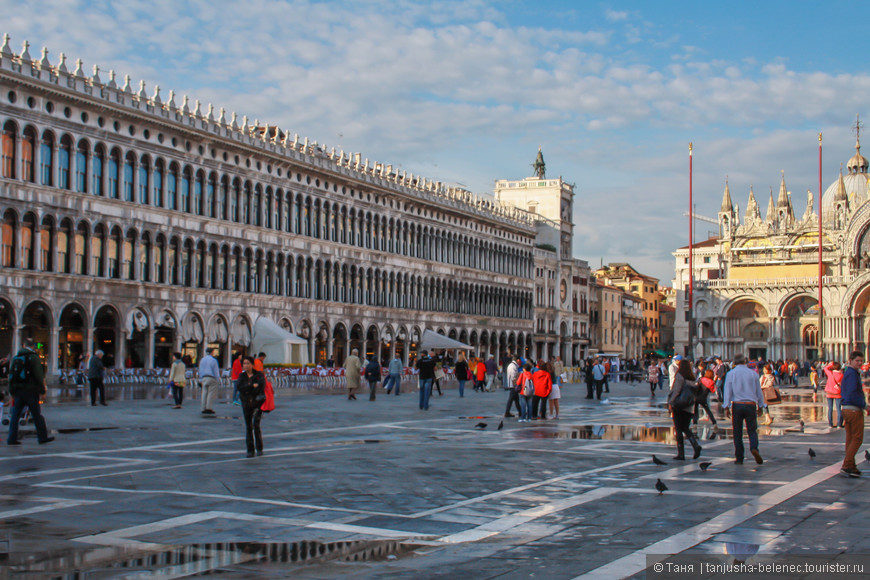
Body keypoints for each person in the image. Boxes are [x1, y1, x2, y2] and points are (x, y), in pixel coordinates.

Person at [6, 338, 53, 445]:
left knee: (15, 415)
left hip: (18, 391)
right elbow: (38, 376)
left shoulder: (16, 357)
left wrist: (12, 392)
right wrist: (42, 391)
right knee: (36, 415)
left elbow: (11, 376)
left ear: (24, 345)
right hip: (31, 391)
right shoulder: (34, 358)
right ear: (33, 346)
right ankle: (42, 437)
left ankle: (11, 438)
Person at [722, 353, 767, 465]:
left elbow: (727, 391)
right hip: (750, 405)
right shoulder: (753, 374)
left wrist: (726, 406)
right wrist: (761, 406)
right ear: (745, 361)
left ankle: (739, 457)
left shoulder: (731, 374)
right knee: (752, 430)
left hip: (737, 405)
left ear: (734, 362)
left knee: (737, 432)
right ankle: (754, 447)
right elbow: (759, 392)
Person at [839, 351, 867, 477]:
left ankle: (851, 465)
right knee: (857, 439)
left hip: (847, 409)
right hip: (853, 410)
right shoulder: (851, 374)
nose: (860, 363)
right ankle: (847, 465)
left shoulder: (849, 373)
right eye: (857, 361)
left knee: (850, 439)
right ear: (850, 360)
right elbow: (852, 393)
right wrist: (865, 406)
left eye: (861, 361)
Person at [667, 359, 702, 460]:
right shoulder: (692, 378)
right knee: (685, 428)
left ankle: (681, 453)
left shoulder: (679, 377)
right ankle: (695, 445)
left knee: (678, 429)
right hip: (689, 406)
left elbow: (676, 391)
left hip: (679, 405)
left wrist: (670, 402)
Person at [237, 356, 265, 458]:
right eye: (244, 363)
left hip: (257, 403)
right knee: (248, 427)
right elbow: (240, 388)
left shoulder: (258, 375)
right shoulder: (242, 376)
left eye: (248, 363)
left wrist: (249, 389)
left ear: (252, 364)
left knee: (256, 425)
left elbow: (261, 387)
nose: (245, 365)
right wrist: (251, 386)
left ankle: (259, 448)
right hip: (246, 404)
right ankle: (250, 449)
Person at [198, 347, 220, 415]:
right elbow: (216, 371)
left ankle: (203, 407)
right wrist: (217, 379)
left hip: (204, 378)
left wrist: (200, 379)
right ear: (212, 352)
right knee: (211, 393)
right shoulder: (213, 360)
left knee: (204, 393)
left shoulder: (202, 360)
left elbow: (200, 370)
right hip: (211, 377)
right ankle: (209, 407)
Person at [824, 360, 844, 428]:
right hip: (838, 393)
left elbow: (825, 368)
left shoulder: (830, 373)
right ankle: (839, 424)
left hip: (829, 393)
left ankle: (830, 424)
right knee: (839, 409)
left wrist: (830, 364)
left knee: (830, 408)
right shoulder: (841, 375)